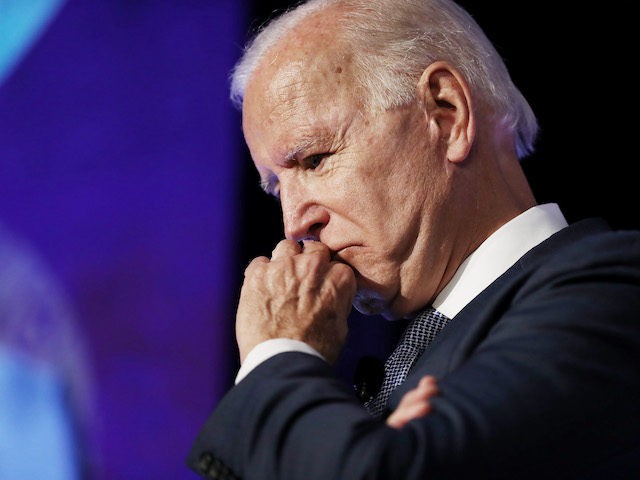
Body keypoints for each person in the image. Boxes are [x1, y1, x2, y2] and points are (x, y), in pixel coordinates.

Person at [187, 0, 640, 478]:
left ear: (446, 112)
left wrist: (278, 353)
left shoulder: (616, 292)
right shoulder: (408, 365)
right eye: (277, 187)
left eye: (315, 160)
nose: (293, 224)